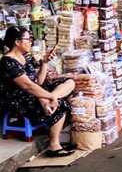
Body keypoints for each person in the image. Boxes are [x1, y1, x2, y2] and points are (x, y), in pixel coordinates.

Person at [0, 26, 75, 156]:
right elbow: (27, 86)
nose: (30, 42)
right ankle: (54, 145)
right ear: (17, 42)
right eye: (28, 39)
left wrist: (44, 63)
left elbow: (38, 82)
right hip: (19, 100)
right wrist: (43, 97)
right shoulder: (8, 61)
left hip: (33, 93)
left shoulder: (26, 57)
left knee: (69, 82)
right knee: (61, 104)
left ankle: (53, 97)